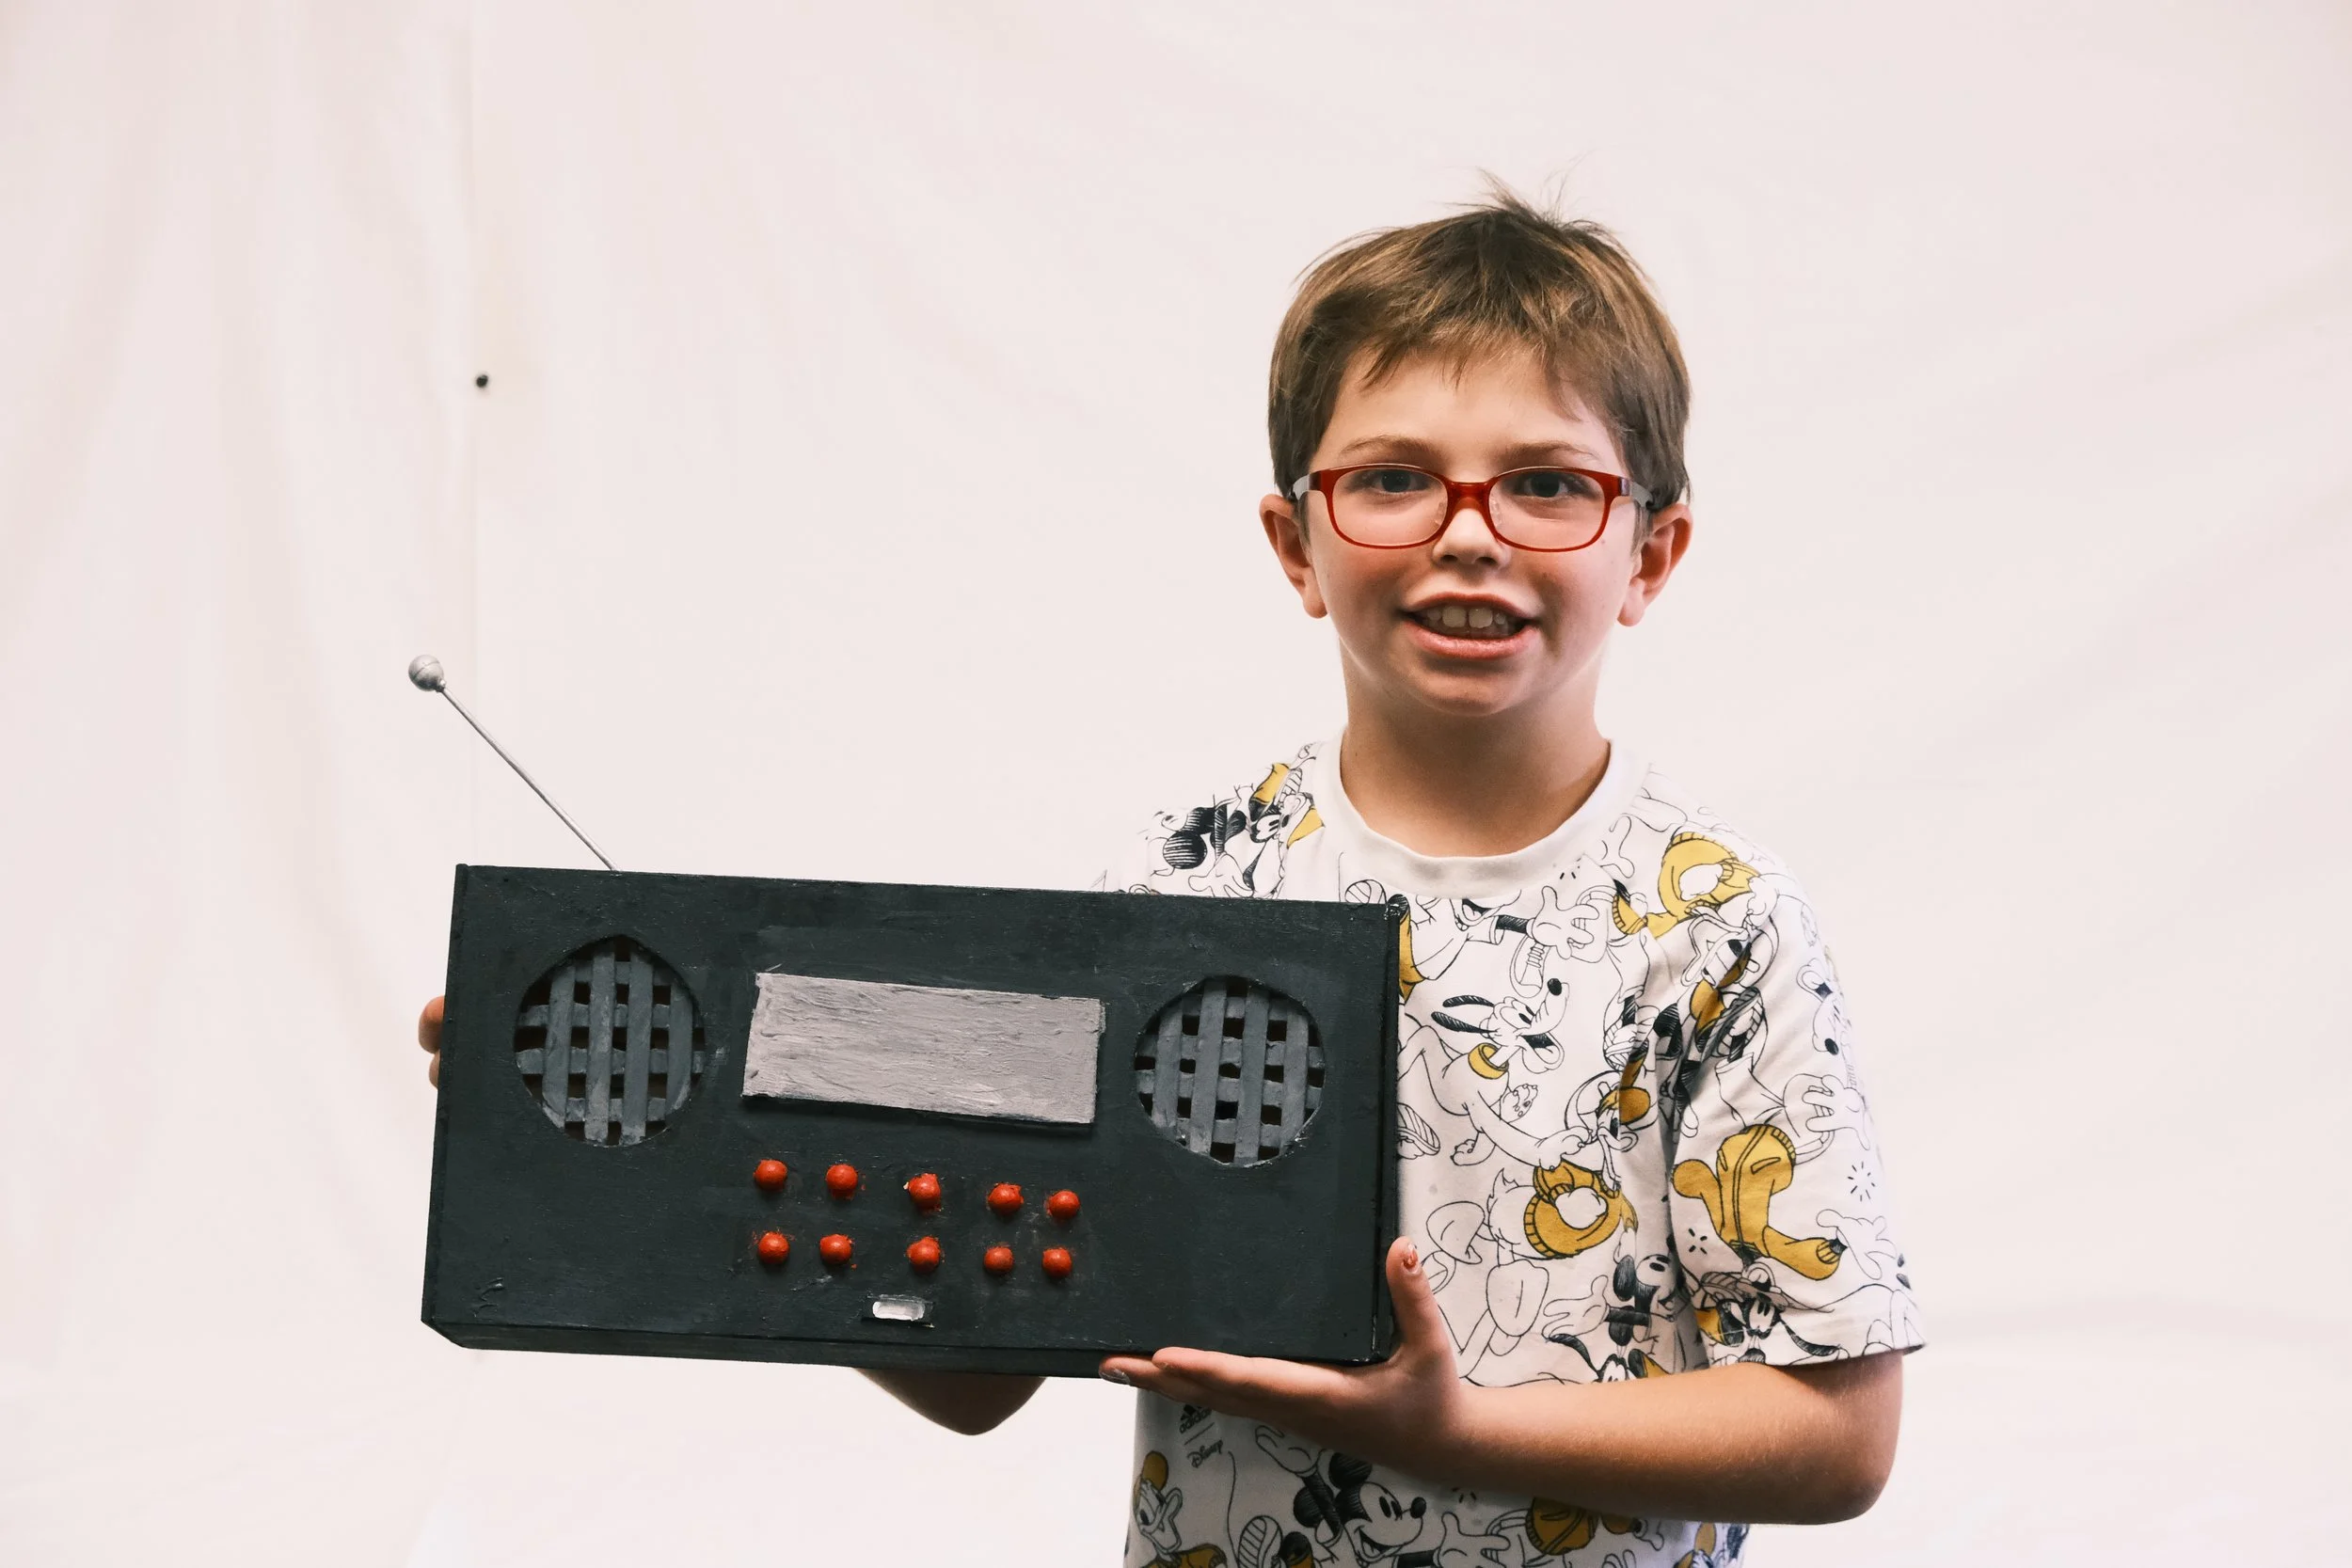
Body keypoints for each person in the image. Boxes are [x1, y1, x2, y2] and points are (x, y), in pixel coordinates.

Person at [418, 189, 1919, 1567]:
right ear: (1295, 540)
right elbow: (978, 1376)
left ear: (1650, 553)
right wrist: (667, 1146)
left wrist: (1454, 1433)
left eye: (1545, 484)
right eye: (1393, 477)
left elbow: (1837, 1432)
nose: (1470, 534)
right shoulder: (1186, 885)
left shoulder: (1717, 927)